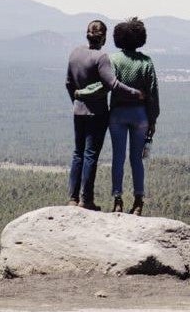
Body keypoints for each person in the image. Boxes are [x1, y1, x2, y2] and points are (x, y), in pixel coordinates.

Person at [74, 17, 159, 215]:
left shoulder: (114, 60)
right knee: (137, 159)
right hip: (140, 116)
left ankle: (118, 200)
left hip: (118, 114)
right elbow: (153, 94)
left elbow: (104, 86)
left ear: (119, 38)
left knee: (118, 158)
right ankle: (138, 202)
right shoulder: (146, 62)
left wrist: (81, 93)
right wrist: (153, 120)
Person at [64, 20, 141, 210]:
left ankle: (73, 198)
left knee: (78, 153)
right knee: (90, 154)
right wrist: (135, 93)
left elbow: (68, 83)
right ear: (104, 38)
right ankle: (86, 200)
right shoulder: (101, 58)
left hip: (78, 111)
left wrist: (76, 102)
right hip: (96, 113)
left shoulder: (75, 53)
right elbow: (112, 84)